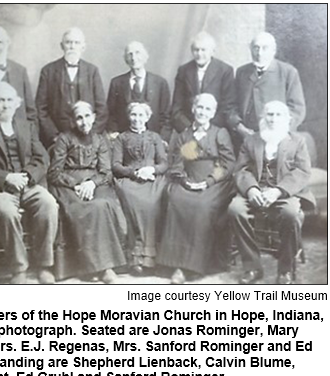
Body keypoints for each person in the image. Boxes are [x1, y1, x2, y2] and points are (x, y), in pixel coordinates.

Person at [0, 82, 58, 284]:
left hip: (28, 184)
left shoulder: (28, 127)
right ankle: (19, 269)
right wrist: (6, 178)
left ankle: (44, 265)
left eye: (9, 100)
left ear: (17, 104)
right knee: (5, 211)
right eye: (0, 100)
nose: (5, 105)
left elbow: (42, 159)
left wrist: (26, 175)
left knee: (49, 204)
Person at [228, 101, 315, 285]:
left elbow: (303, 172)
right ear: (263, 117)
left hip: (285, 192)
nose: (273, 119)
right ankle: (252, 267)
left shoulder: (298, 142)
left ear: (287, 119)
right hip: (255, 191)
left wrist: (277, 191)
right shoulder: (251, 140)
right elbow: (241, 170)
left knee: (290, 213)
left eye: (278, 115)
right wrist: (251, 189)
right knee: (235, 209)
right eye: (269, 114)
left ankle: (285, 270)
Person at [157, 93, 235, 284]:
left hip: (215, 181)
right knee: (176, 200)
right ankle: (176, 263)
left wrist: (207, 181)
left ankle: (193, 266)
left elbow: (227, 163)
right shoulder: (184, 135)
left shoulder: (219, 133)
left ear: (213, 112)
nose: (203, 112)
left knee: (201, 205)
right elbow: (176, 162)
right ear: (193, 109)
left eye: (208, 109)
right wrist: (184, 180)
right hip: (188, 178)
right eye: (200, 107)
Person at [48, 101, 127, 284]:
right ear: (73, 121)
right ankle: (90, 267)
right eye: (79, 118)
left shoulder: (100, 139)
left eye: (87, 117)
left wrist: (91, 183)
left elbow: (106, 171)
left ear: (93, 117)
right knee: (81, 209)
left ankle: (106, 267)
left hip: (95, 183)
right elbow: (54, 172)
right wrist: (76, 185)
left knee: (103, 205)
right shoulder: (64, 139)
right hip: (68, 185)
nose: (84, 122)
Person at [112, 102, 168, 275]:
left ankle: (152, 258)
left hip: (153, 179)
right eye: (134, 115)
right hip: (130, 179)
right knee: (133, 202)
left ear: (148, 117)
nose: (137, 119)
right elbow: (115, 165)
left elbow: (164, 163)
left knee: (153, 202)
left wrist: (151, 169)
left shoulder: (155, 137)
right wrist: (134, 172)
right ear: (129, 116)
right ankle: (135, 258)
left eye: (141, 115)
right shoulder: (122, 138)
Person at [229, 32, 306, 150]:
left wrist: (278, 132)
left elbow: (297, 109)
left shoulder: (288, 72)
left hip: (279, 140)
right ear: (250, 49)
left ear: (273, 50)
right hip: (246, 138)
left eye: (265, 48)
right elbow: (231, 105)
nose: (259, 53)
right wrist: (239, 127)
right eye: (256, 48)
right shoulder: (242, 72)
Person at [36, 27, 108, 149]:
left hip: (88, 140)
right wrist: (54, 136)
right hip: (57, 138)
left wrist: (90, 135)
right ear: (62, 46)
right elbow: (41, 109)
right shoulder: (48, 71)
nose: (72, 46)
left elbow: (102, 109)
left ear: (83, 47)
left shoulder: (92, 71)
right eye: (68, 42)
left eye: (77, 43)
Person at [107, 41, 172, 143]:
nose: (134, 58)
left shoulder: (160, 83)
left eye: (138, 53)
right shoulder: (116, 83)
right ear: (126, 58)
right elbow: (111, 114)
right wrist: (114, 133)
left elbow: (166, 116)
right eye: (130, 54)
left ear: (145, 56)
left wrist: (162, 139)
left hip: (153, 142)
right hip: (125, 141)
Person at [171, 32, 235, 133]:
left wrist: (209, 130)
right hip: (188, 129)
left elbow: (227, 106)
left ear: (212, 51)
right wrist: (189, 129)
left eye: (203, 50)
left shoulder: (225, 71)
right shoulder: (184, 70)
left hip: (215, 130)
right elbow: (176, 107)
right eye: (196, 50)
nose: (199, 54)